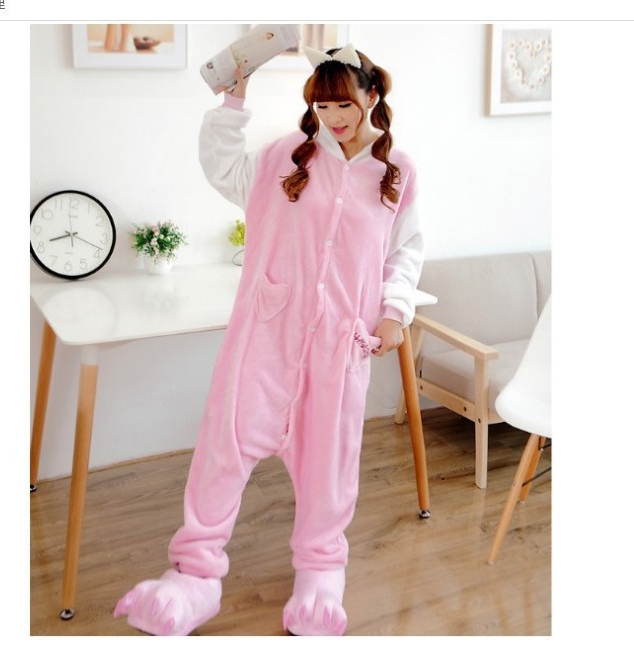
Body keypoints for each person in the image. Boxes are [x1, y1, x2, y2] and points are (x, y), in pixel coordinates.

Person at [114, 43, 423, 637]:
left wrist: (395, 312)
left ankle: (320, 573)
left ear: (371, 97)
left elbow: (405, 251)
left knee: (330, 463)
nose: (333, 116)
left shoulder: (396, 172)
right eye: (323, 105)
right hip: (266, 335)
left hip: (339, 344)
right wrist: (233, 101)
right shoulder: (287, 156)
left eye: (344, 104)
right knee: (224, 449)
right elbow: (223, 169)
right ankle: (194, 575)